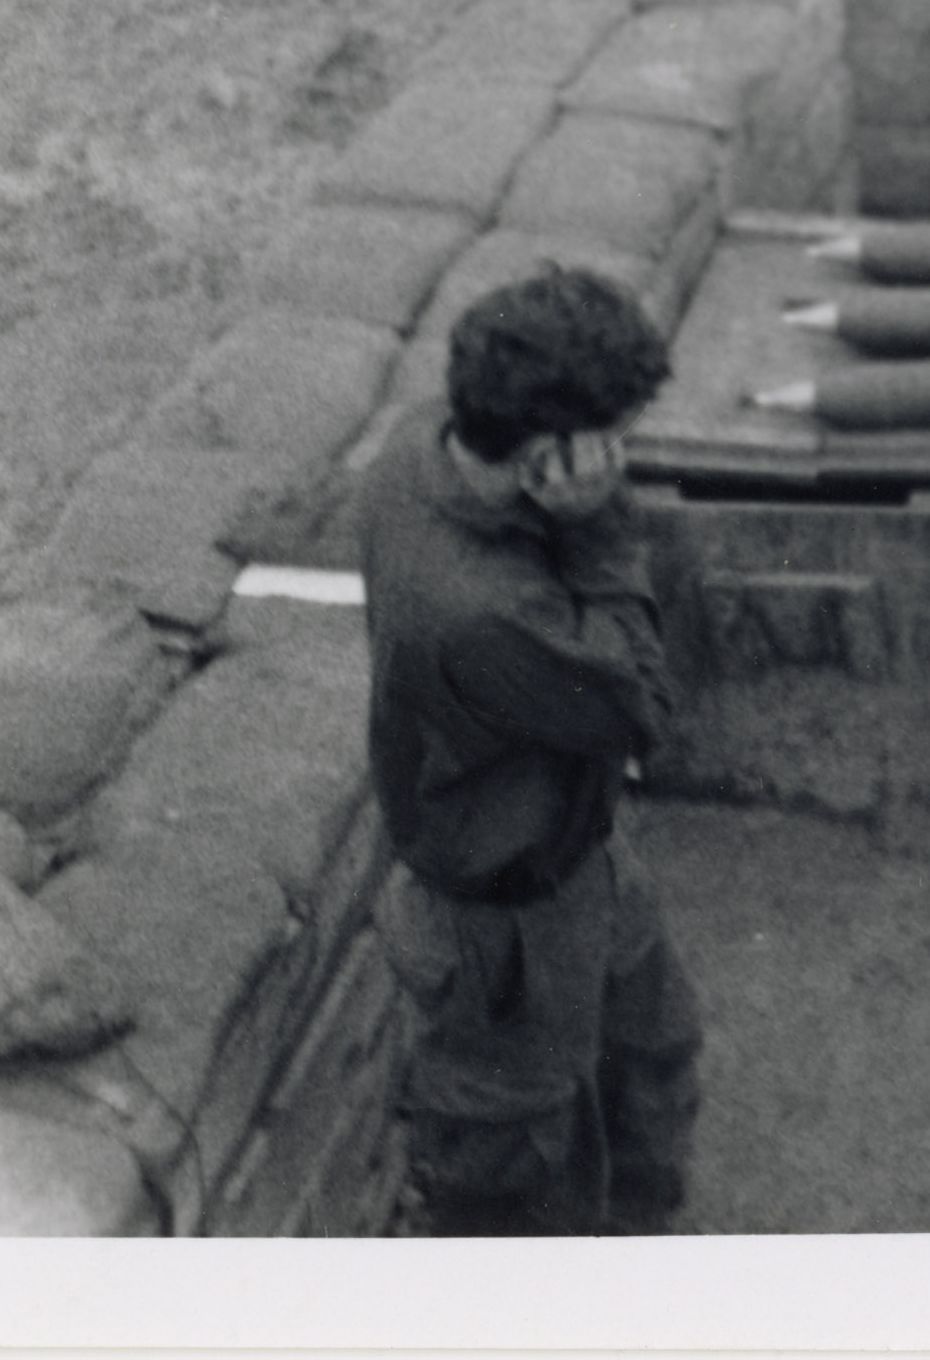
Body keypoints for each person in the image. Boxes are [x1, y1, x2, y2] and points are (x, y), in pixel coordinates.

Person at [359, 263, 702, 1236]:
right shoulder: (480, 613)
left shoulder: (421, 439)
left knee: (654, 1048)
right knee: (514, 1165)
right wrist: (598, 524)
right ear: (551, 455)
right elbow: (642, 710)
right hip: (502, 921)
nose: (623, 453)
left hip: (572, 847)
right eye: (615, 435)